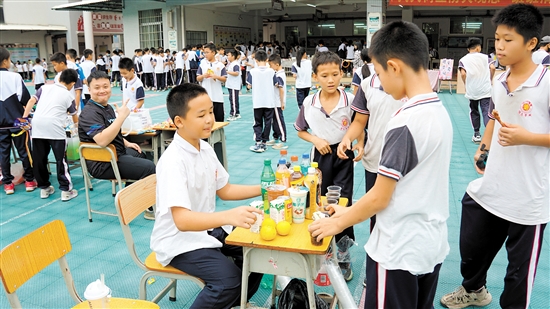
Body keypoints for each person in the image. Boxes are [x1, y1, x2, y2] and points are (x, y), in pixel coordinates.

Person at [309, 21, 453, 308]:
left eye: (378, 72)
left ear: (395, 67)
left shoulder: (404, 122)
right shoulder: (438, 111)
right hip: (429, 245)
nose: (379, 82)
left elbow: (379, 197)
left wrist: (337, 221)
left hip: (397, 249)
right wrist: (348, 209)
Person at [440, 4, 550, 309]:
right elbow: (494, 117)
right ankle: (474, 289)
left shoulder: (547, 83)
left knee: (519, 272)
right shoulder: (499, 81)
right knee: (472, 240)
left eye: (508, 39)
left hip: (529, 196)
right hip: (494, 185)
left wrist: (527, 138)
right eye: (497, 39)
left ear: (531, 43)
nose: (499, 46)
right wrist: (484, 147)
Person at [150, 83, 263, 309]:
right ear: (179, 122)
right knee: (228, 281)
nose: (210, 119)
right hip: (178, 241)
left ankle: (233, 303)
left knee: (259, 253)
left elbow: (225, 190)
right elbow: (182, 221)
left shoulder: (205, 148)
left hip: (204, 230)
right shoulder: (174, 161)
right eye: (201, 115)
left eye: (211, 111)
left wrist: (266, 188)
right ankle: (230, 298)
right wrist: (229, 217)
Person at [295, 51, 360, 281]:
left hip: (343, 156)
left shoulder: (350, 101)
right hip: (319, 159)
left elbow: (360, 124)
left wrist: (358, 143)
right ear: (315, 77)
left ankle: (342, 253)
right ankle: (323, 252)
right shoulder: (309, 102)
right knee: (318, 203)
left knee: (341, 203)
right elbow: (301, 129)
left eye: (335, 74)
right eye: (324, 75)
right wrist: (316, 139)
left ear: (342, 73)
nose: (331, 80)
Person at [78, 70, 156, 220]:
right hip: (103, 162)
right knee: (149, 167)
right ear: (89, 89)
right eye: (97, 87)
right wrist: (121, 116)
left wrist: (127, 142)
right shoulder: (89, 113)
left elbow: (113, 132)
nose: (102, 91)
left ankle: (128, 198)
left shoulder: (106, 107)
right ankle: (148, 209)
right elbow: (101, 140)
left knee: (140, 153)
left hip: (116, 154)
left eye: (105, 86)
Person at [22, 69, 79, 201]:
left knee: (39, 159)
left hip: (37, 127)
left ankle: (44, 188)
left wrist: (24, 119)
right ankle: (66, 190)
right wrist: (77, 127)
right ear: (72, 84)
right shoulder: (68, 95)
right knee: (61, 159)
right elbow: (74, 116)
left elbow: (31, 101)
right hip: (55, 128)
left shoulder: (43, 88)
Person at [0, 47, 36, 195]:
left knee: (3, 153)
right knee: (24, 151)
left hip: (0, 125)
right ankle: (29, 180)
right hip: (17, 122)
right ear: (5, 61)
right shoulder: (14, 77)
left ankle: (8, 183)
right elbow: (25, 99)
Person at [459, 37, 496, 143]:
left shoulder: (463, 59)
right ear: (479, 48)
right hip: (485, 89)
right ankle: (490, 134)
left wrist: (466, 83)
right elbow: (492, 68)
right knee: (486, 111)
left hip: (472, 90)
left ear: (468, 49)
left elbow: (463, 73)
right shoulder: (486, 57)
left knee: (474, 111)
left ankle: (477, 134)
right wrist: (490, 79)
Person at [247, 50, 275, 153]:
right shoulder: (271, 71)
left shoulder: (252, 71)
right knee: (268, 122)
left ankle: (258, 142)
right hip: (269, 102)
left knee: (258, 122)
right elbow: (276, 83)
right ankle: (264, 142)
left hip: (258, 101)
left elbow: (249, 85)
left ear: (256, 60)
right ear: (267, 60)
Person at [197, 43, 227, 122]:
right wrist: (203, 76)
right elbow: (198, 78)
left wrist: (216, 77)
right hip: (205, 97)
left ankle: (219, 134)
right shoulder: (202, 64)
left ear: (213, 53)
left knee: (219, 119)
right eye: (204, 53)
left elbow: (224, 79)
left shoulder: (220, 65)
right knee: (206, 120)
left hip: (217, 97)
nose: (205, 54)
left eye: (207, 52)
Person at [268, 53, 288, 150]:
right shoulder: (277, 74)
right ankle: (276, 137)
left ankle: (283, 139)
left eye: (271, 65)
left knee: (279, 120)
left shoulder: (279, 75)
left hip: (277, 102)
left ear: (276, 64)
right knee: (274, 121)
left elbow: (281, 89)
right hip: (274, 101)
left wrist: (282, 102)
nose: (270, 67)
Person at [225, 49, 242, 121]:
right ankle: (237, 113)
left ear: (233, 56)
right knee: (232, 99)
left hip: (234, 85)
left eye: (228, 55)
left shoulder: (235, 64)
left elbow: (236, 73)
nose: (227, 57)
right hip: (231, 84)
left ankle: (233, 114)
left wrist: (227, 72)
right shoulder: (232, 63)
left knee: (233, 100)